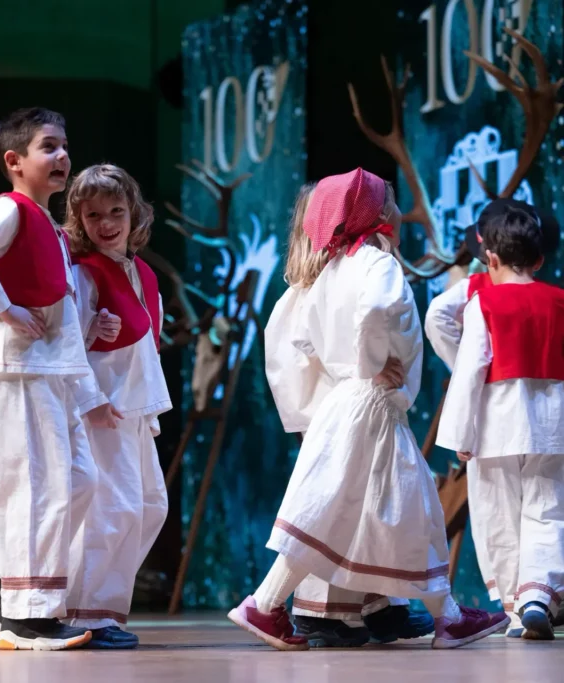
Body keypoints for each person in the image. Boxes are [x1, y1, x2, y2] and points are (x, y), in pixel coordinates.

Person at [231, 168, 508, 651]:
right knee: (411, 507)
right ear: (378, 214)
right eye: (392, 204)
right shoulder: (377, 263)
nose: (398, 213)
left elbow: (302, 337)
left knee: (351, 510)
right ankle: (447, 617)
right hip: (371, 406)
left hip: (347, 401)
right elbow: (377, 310)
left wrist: (350, 365)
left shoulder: (331, 269)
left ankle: (269, 603)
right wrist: (371, 363)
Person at [0, 107, 113, 651]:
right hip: (21, 367)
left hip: (50, 369)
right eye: (49, 146)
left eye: (64, 145)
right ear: (15, 160)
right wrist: (2, 308)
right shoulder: (9, 209)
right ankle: (26, 615)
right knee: (35, 485)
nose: (62, 156)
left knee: (78, 480)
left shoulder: (47, 225)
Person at [272, 184, 435, 648]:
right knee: (334, 508)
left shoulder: (350, 275)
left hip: (360, 406)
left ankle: (379, 604)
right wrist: (313, 415)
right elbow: (296, 363)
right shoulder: (310, 292)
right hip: (337, 409)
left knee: (373, 506)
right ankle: (321, 611)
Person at [436, 203, 563, 640]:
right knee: (547, 511)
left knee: (498, 514)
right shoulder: (560, 301)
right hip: (552, 425)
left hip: (497, 426)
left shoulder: (483, 303)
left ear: (489, 258)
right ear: (539, 260)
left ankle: (515, 606)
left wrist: (461, 433)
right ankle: (537, 598)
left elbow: (470, 370)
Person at [61, 164, 169, 649]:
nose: (106, 223)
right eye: (93, 215)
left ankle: (89, 603)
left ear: (133, 213)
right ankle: (92, 613)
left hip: (136, 409)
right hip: (104, 406)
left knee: (150, 507)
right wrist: (91, 398)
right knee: (114, 509)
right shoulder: (84, 273)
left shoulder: (142, 272)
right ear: (79, 220)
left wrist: (150, 410)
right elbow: (65, 342)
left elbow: (147, 346)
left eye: (116, 211)